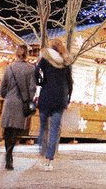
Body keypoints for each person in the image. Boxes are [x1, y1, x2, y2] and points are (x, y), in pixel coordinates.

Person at [34, 38, 73, 171]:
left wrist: (41, 83)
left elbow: (36, 73)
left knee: (43, 128)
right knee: (54, 130)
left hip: (46, 97)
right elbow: (70, 82)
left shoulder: (45, 59)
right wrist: (68, 99)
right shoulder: (66, 62)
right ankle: (49, 160)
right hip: (60, 99)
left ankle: (41, 155)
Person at [0, 44, 37, 170]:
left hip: (9, 102)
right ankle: (10, 154)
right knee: (15, 131)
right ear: (27, 54)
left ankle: (8, 155)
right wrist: (28, 99)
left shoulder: (9, 68)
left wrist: (7, 95)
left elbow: (2, 87)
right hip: (21, 103)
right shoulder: (30, 69)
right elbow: (32, 88)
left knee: (8, 130)